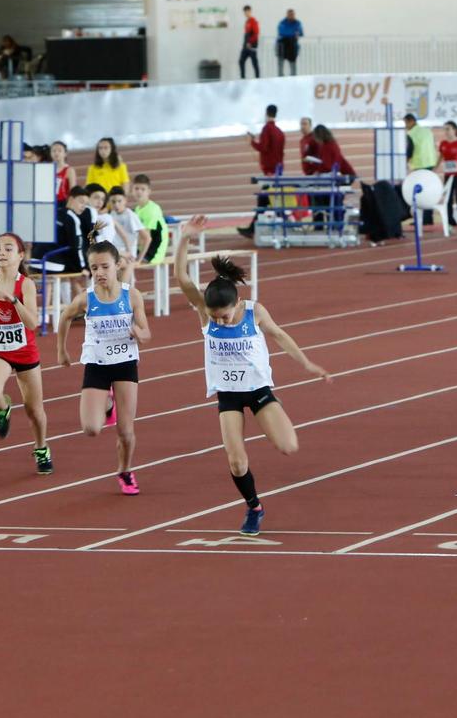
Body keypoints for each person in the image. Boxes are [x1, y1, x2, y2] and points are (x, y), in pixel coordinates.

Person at [175, 215, 329, 535]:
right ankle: (254, 507)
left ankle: (272, 413)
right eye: (216, 318)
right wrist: (185, 238)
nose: (222, 322)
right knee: (236, 462)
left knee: (288, 446)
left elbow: (281, 336)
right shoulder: (206, 312)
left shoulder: (255, 311)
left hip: (258, 389)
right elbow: (182, 278)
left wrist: (307, 364)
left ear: (237, 303)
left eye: (226, 316)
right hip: (228, 395)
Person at [56, 241, 151, 495]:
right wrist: (62, 350)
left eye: (104, 266)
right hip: (97, 364)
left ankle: (125, 471)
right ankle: (108, 404)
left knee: (126, 431)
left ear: (117, 265)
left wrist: (138, 332)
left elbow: (147, 333)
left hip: (125, 364)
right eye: (94, 267)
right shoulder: (85, 298)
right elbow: (64, 317)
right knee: (91, 429)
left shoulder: (131, 295)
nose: (99, 272)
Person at [0, 232, 53, 474]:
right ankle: (3, 406)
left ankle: (41, 448)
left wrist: (14, 302)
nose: (1, 253)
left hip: (24, 351)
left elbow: (32, 324)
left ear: (20, 255)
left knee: (34, 410)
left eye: (8, 249)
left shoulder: (25, 284)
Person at [238, 103, 286, 237]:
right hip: (278, 170)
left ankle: (253, 229)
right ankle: (253, 228)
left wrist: (251, 142)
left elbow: (264, 148)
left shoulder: (267, 129)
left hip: (270, 173)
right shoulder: (280, 133)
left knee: (266, 200)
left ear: (266, 113)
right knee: (271, 201)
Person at [107, 185, 148, 282]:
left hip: (128, 255)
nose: (116, 204)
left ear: (125, 200)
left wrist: (139, 259)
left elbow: (147, 238)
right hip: (115, 252)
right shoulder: (111, 215)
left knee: (112, 267)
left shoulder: (130, 215)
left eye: (119, 201)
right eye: (113, 202)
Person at [435, 120, 457, 231]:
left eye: (448, 129)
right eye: (444, 129)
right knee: (448, 199)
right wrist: (434, 169)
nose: (445, 131)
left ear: (454, 130)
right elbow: (440, 157)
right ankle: (449, 223)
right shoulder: (443, 144)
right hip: (448, 175)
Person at [403, 112, 438, 225]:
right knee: (429, 190)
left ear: (411, 121)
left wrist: (405, 162)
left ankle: (421, 219)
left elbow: (410, 151)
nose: (405, 126)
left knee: (419, 192)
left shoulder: (412, 133)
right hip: (431, 163)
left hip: (419, 165)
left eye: (406, 123)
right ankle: (428, 218)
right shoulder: (427, 131)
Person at [131, 174, 169, 265]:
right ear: (132, 190)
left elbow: (146, 237)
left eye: (143, 189)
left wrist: (138, 259)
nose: (139, 192)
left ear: (149, 191)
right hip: (144, 245)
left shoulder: (152, 210)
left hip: (155, 249)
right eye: (136, 188)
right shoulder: (137, 209)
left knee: (127, 262)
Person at [276, 9, 303, 76]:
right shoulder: (282, 22)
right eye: (289, 14)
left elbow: (300, 32)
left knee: (292, 62)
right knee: (280, 61)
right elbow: (281, 32)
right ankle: (280, 76)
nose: (291, 16)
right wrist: (292, 33)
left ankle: (293, 77)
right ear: (287, 15)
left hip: (292, 44)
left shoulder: (297, 23)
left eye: (292, 14)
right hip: (283, 44)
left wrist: (295, 34)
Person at [239, 4, 260, 78]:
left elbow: (256, 33)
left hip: (251, 45)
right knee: (241, 61)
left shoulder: (253, 21)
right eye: (244, 12)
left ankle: (258, 79)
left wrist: (250, 42)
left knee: (254, 63)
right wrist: (245, 44)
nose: (246, 13)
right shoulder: (247, 22)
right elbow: (246, 34)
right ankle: (242, 78)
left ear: (250, 11)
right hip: (246, 45)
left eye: (247, 11)